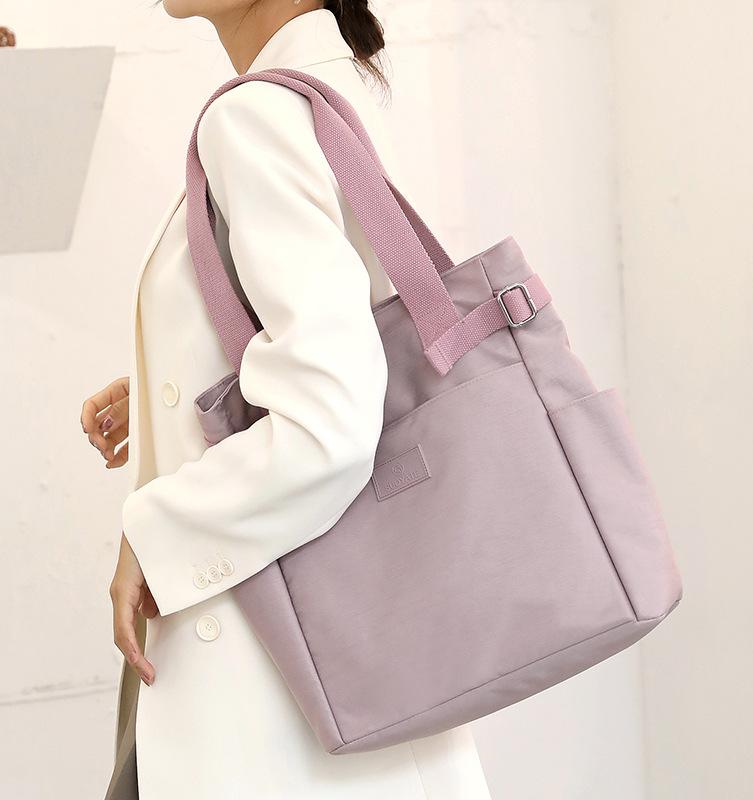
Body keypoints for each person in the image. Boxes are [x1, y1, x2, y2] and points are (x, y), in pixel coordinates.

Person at [81, 3, 493, 798]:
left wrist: (159, 531)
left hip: (270, 679)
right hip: (352, 675)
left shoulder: (257, 115)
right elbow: (363, 332)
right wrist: (176, 378)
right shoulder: (339, 83)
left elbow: (329, 423)